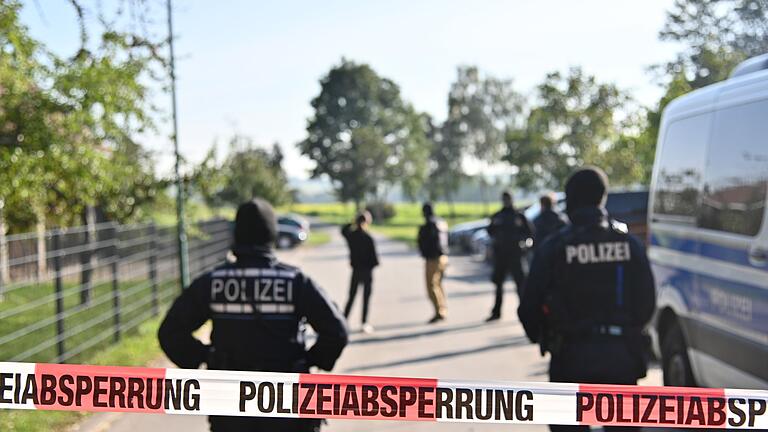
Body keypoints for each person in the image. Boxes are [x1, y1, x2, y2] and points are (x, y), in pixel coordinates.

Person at [158, 198, 348, 432]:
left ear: (236, 235)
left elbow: (170, 333)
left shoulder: (212, 283)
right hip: (288, 406)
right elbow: (337, 332)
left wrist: (206, 357)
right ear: (272, 235)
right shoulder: (296, 283)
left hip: (230, 408)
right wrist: (309, 361)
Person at [518, 167, 655, 432]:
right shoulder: (629, 244)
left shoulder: (554, 248)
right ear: (602, 198)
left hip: (570, 357)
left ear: (570, 202)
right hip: (621, 358)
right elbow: (647, 302)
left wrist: (545, 338)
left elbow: (529, 306)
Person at [486, 191, 533, 322]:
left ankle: (526, 312)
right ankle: (496, 312)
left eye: (508, 199)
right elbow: (489, 231)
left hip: (516, 255)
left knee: (520, 285)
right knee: (498, 284)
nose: (506, 201)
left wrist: (525, 246)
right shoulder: (498, 216)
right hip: (501, 255)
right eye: (504, 199)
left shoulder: (519, 216)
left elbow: (530, 234)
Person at [341, 210, 379, 334]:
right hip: (367, 272)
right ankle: (364, 323)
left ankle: (343, 320)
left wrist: (353, 221)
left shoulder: (352, 236)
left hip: (356, 270)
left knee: (351, 296)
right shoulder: (369, 238)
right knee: (366, 298)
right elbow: (375, 259)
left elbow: (343, 230)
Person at [417, 202, 448, 323]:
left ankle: (439, 311)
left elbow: (426, 242)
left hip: (433, 258)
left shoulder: (429, 225)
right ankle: (443, 308)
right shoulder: (441, 222)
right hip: (443, 257)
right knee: (439, 284)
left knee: (431, 286)